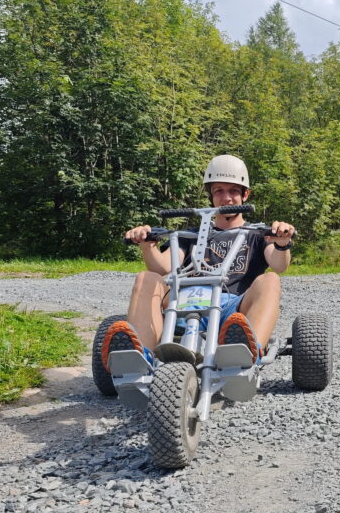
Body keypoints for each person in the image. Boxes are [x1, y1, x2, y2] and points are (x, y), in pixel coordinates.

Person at [101, 154, 295, 369]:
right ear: (211, 196)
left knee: (270, 279)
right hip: (182, 303)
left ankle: (247, 353)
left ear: (245, 194)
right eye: (219, 191)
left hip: (233, 310)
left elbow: (279, 265)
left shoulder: (257, 233)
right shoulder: (189, 234)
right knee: (147, 278)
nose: (226, 198)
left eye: (233, 191)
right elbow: (164, 267)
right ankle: (139, 359)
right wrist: (147, 246)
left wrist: (282, 243)